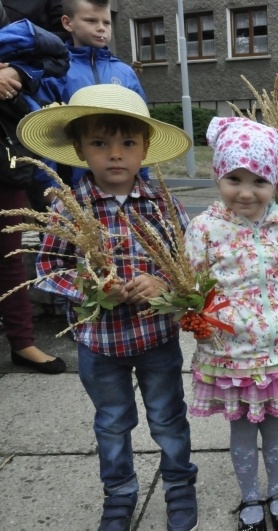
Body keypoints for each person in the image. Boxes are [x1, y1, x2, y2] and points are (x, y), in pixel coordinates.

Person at [23, 84, 198, 531]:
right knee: (112, 423)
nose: (114, 155)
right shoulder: (70, 207)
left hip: (156, 338)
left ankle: (179, 484)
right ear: (80, 149)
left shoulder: (162, 203)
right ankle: (119, 493)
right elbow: (48, 268)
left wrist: (164, 281)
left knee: (168, 417)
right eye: (100, 144)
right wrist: (91, 286)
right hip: (98, 344)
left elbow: (191, 262)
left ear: (144, 150)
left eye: (127, 144)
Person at [185, 116, 278, 531]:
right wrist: (191, 318)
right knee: (243, 429)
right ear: (218, 174)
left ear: (276, 181)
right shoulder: (205, 229)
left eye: (259, 182)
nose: (246, 192)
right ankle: (249, 496)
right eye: (235, 178)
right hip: (230, 355)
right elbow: (190, 286)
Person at [0, 3, 69, 373]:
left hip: (4, 150)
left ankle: (22, 342)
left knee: (9, 254)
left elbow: (56, 55)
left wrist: (15, 71)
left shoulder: (16, 18)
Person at [32, 0, 148, 195]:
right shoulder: (55, 72)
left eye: (106, 22)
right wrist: (52, 191)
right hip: (74, 189)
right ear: (68, 23)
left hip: (124, 186)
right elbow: (44, 136)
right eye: (91, 20)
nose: (101, 28)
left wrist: (145, 180)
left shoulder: (125, 73)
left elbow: (142, 129)